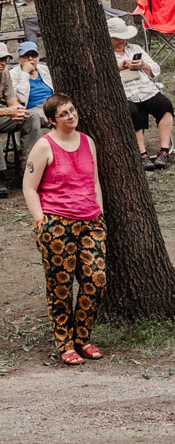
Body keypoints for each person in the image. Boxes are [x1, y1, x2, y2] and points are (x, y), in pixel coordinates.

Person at [22, 94, 106, 365]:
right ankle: (65, 343)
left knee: (95, 280)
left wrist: (99, 213)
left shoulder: (88, 142)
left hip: (91, 222)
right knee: (60, 287)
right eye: (64, 114)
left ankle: (83, 338)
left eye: (72, 110)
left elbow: (94, 182)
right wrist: (40, 221)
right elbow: (29, 187)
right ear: (52, 120)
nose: (71, 116)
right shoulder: (44, 146)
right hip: (56, 224)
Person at [108, 17, 174, 171]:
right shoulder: (105, 54)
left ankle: (164, 151)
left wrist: (143, 65)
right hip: (125, 94)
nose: (122, 41)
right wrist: (117, 68)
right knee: (133, 111)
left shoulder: (135, 48)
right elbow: (102, 77)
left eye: (124, 37)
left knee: (165, 105)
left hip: (147, 90)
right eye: (118, 38)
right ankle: (142, 154)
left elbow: (155, 69)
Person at [0, 41, 41, 198]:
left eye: (5, 59)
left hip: (3, 115)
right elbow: (8, 109)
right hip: (2, 113)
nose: (3, 63)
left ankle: (28, 169)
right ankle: (1, 175)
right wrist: (7, 111)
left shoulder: (4, 73)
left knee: (31, 116)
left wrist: (18, 111)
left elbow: (12, 100)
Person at [10, 40, 53, 125]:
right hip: (33, 109)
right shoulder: (13, 74)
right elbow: (20, 99)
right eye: (26, 56)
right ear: (19, 60)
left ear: (38, 58)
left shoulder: (45, 69)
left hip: (52, 104)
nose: (30, 58)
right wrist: (25, 74)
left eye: (33, 55)